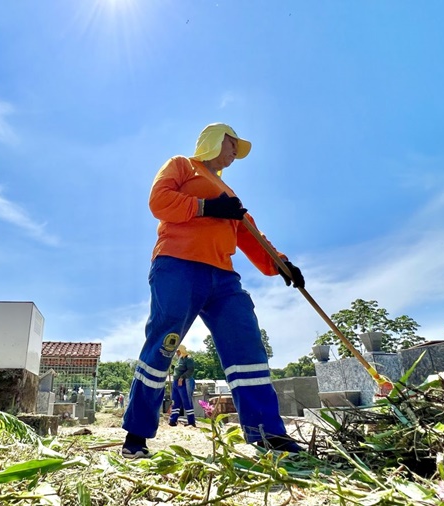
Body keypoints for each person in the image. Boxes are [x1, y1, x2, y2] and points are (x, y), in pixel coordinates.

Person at [121, 123, 306, 459]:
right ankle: (136, 435)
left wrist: (282, 264)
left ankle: (268, 435)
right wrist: (206, 208)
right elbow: (159, 201)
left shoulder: (230, 195)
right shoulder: (181, 165)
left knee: (247, 342)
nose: (235, 152)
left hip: (223, 277)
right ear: (214, 141)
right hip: (177, 265)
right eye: (232, 144)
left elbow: (251, 235)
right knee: (165, 342)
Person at [168, 345, 196, 427]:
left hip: (183, 382)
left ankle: (191, 421)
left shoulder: (188, 359)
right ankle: (173, 420)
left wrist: (182, 378)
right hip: (176, 383)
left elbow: (191, 369)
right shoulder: (180, 359)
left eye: (178, 351)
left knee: (186, 401)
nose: (176, 353)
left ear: (182, 350)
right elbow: (179, 369)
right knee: (175, 401)